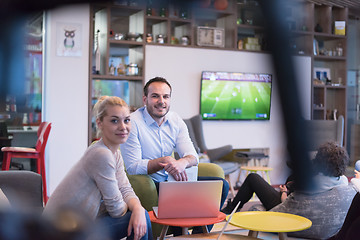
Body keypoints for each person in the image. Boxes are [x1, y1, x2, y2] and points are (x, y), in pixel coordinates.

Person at [120, 77, 229, 232]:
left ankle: (198, 236)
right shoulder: (133, 123)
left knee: (221, 186)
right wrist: (164, 161)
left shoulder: (175, 120)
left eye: (166, 96)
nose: (161, 101)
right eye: (155, 96)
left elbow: (193, 156)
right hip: (153, 185)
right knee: (179, 206)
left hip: (175, 181)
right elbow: (132, 167)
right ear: (145, 99)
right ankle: (180, 233)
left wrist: (181, 163)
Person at [43, 96, 152, 240]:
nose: (123, 127)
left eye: (126, 120)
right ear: (100, 123)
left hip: (77, 225)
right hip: (60, 232)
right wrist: (136, 210)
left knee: (140, 214)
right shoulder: (101, 154)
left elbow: (126, 189)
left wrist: (137, 207)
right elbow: (116, 209)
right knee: (138, 218)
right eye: (114, 121)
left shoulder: (115, 154)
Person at [222, 141, 349, 214]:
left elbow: (287, 202)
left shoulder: (310, 183)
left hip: (284, 208)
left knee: (253, 178)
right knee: (292, 177)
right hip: (305, 202)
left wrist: (284, 192)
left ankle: (231, 208)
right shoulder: (343, 181)